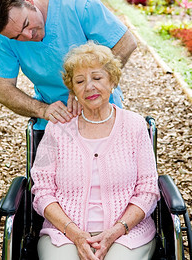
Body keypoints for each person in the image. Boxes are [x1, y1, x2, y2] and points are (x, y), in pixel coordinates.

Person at [31, 42, 160, 260]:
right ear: (73, 90)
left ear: (112, 82)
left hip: (127, 234)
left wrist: (115, 232)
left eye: (97, 78)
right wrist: (75, 233)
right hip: (64, 234)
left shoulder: (135, 126)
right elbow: (42, 191)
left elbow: (147, 190)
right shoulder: (57, 129)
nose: (89, 86)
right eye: (80, 81)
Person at [0, 0, 137, 130]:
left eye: (26, 24)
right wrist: (43, 110)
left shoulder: (79, 5)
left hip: (101, 111)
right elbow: (2, 89)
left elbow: (126, 42)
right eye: (16, 37)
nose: (28, 35)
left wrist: (87, 87)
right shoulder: (3, 37)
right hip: (55, 121)